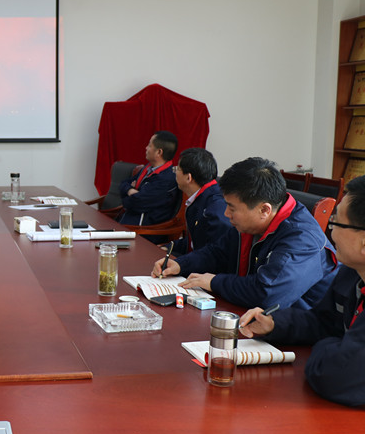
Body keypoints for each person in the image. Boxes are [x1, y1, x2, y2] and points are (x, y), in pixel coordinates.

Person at [239, 175, 365, 406]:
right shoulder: (352, 273)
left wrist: (330, 345)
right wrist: (275, 324)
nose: (330, 233)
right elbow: (323, 322)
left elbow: (337, 376)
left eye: (336, 223)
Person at [153, 157, 337, 310]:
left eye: (232, 208)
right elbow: (218, 252)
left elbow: (266, 294)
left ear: (264, 210)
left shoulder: (302, 239)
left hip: (295, 330)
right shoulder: (251, 224)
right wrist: (180, 264)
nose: (226, 214)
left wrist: (214, 282)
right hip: (251, 316)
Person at [171, 148, 230, 254]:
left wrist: (181, 262)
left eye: (177, 169)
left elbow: (212, 253)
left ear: (188, 177)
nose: (175, 172)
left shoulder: (215, 207)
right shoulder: (203, 197)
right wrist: (169, 247)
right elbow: (194, 242)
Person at [118, 131, 180, 227]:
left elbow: (133, 203)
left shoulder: (166, 179)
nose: (146, 148)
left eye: (149, 145)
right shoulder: (148, 168)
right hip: (127, 223)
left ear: (159, 152)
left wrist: (129, 194)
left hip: (142, 231)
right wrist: (131, 191)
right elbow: (123, 184)